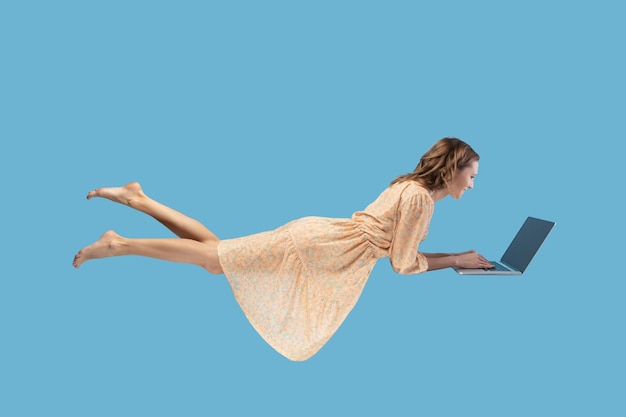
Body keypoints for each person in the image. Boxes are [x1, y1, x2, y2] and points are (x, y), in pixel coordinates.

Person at [73, 137, 493, 361]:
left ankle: (139, 199)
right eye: (471, 176)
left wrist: (454, 258)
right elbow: (402, 264)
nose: (472, 185)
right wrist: (456, 260)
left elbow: (395, 249)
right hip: (321, 250)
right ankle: (119, 243)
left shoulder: (407, 185)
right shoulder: (421, 199)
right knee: (214, 259)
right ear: (453, 170)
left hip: (321, 238)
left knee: (219, 256)